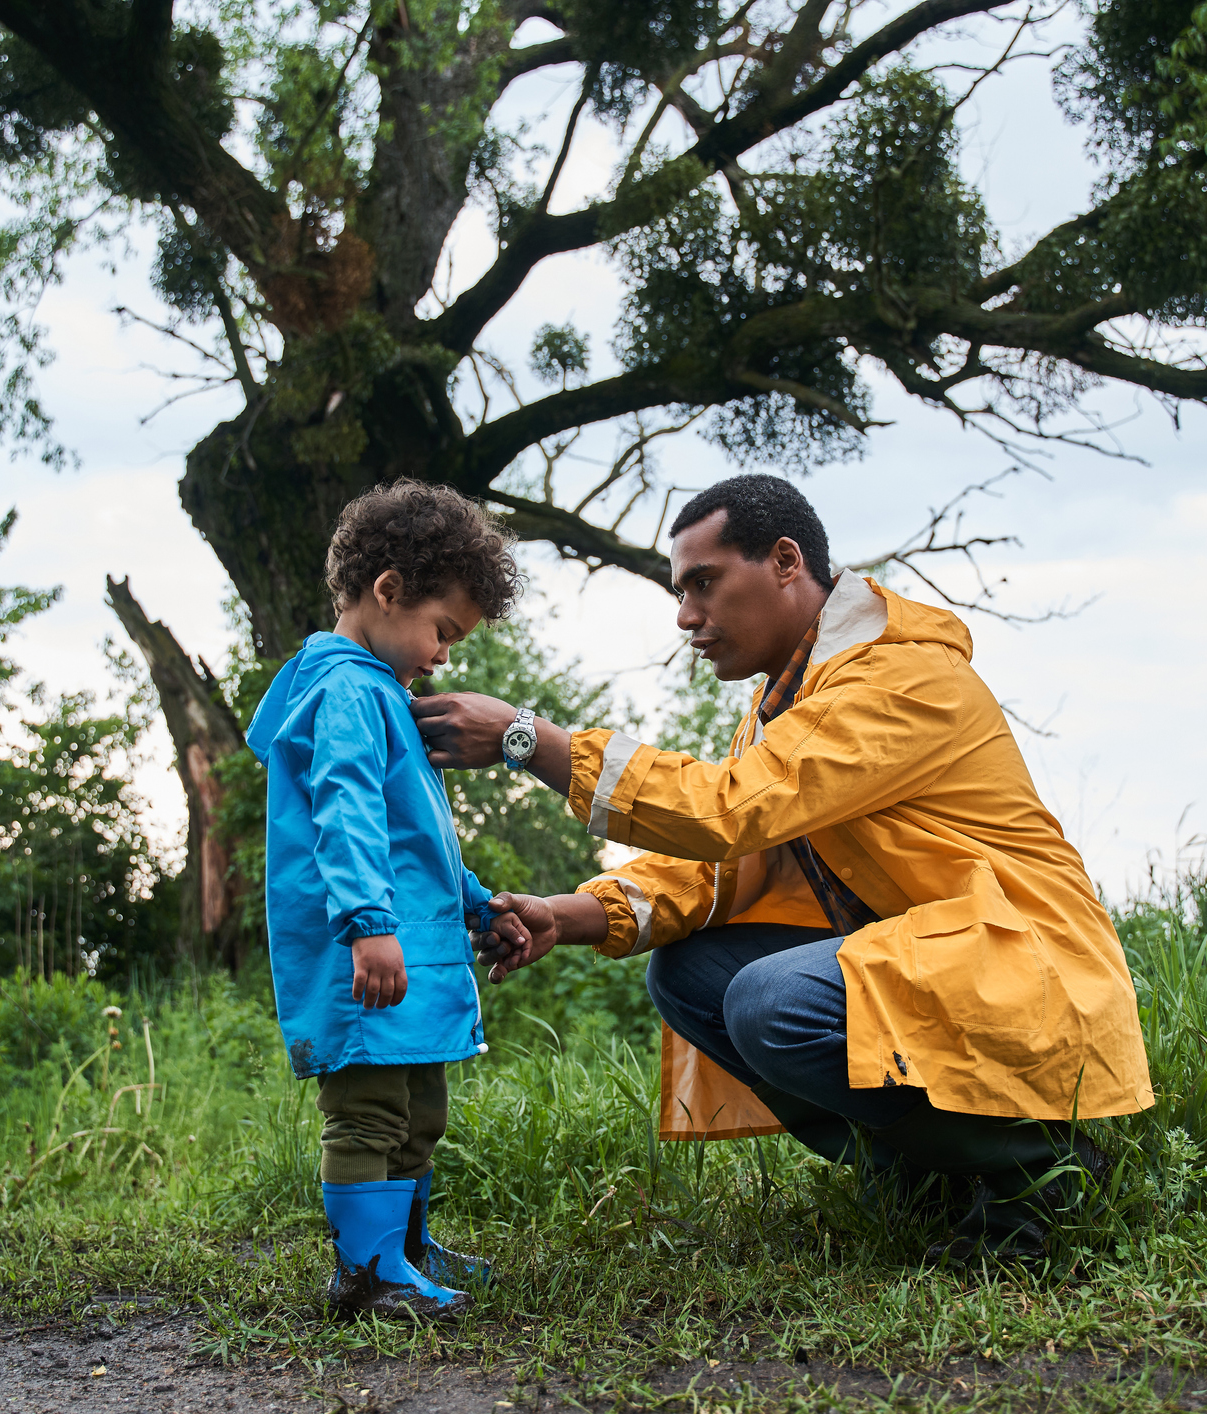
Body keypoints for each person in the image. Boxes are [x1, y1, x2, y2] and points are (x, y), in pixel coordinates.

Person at [411, 475, 1155, 1263]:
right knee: (686, 973)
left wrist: (535, 741)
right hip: (929, 958)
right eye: (679, 591)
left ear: (785, 561)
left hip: (1021, 960)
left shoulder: (898, 678)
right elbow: (728, 861)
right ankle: (926, 1179)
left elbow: (728, 808)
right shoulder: (787, 701)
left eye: (705, 583)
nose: (686, 617)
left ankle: (1048, 1176)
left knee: (773, 1001)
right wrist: (568, 915)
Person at [246, 480, 550, 1318]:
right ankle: (364, 1276)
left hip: (405, 943)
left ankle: (403, 1252)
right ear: (387, 591)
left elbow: (417, 841)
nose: (445, 653)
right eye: (441, 629)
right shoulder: (345, 689)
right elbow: (344, 814)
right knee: (368, 1113)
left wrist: (479, 905)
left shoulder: (380, 694)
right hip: (369, 949)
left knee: (419, 1110)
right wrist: (368, 926)